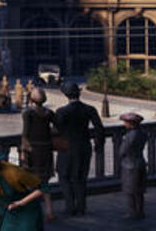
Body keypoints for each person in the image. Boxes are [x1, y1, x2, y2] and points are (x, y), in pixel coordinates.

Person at [0, 146, 53, 230]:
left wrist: (21, 202)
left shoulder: (14, 173)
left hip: (26, 210)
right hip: (7, 210)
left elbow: (43, 187)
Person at [54, 82, 104, 217]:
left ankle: (70, 206)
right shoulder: (89, 109)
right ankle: (81, 206)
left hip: (67, 147)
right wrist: (98, 145)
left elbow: (57, 129)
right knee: (81, 177)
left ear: (66, 95)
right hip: (84, 146)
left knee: (64, 176)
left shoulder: (62, 111)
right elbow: (99, 129)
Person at [21, 87, 56, 183]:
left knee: (33, 176)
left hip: (33, 147)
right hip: (46, 146)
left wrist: (23, 150)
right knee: (45, 176)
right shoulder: (49, 113)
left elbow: (25, 132)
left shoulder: (28, 113)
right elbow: (58, 127)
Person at [118, 112, 148, 220]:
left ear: (131, 123)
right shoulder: (142, 133)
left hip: (130, 165)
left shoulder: (130, 136)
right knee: (139, 191)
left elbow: (123, 150)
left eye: (125, 122)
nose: (124, 124)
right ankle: (140, 211)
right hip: (140, 162)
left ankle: (132, 213)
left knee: (130, 191)